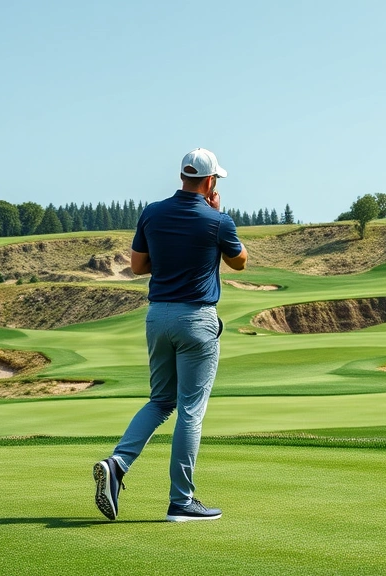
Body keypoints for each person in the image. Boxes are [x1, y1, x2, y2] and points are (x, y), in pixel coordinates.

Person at [94, 148, 247, 522]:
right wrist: (215, 212)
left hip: (157, 316)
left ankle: (118, 463)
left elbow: (137, 266)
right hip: (196, 320)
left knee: (161, 401)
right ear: (210, 181)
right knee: (191, 411)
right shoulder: (218, 220)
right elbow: (239, 261)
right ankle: (181, 502)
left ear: (182, 176)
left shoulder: (152, 212)